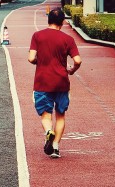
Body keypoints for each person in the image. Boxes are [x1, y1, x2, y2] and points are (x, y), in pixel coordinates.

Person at [28, 8, 82, 158]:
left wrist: (40, 62)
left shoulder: (37, 36)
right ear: (63, 22)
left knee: (46, 116)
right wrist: (71, 70)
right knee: (60, 116)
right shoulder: (68, 39)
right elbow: (78, 60)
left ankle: (48, 132)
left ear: (48, 20)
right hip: (62, 82)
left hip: (42, 81)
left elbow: (31, 58)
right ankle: (56, 147)